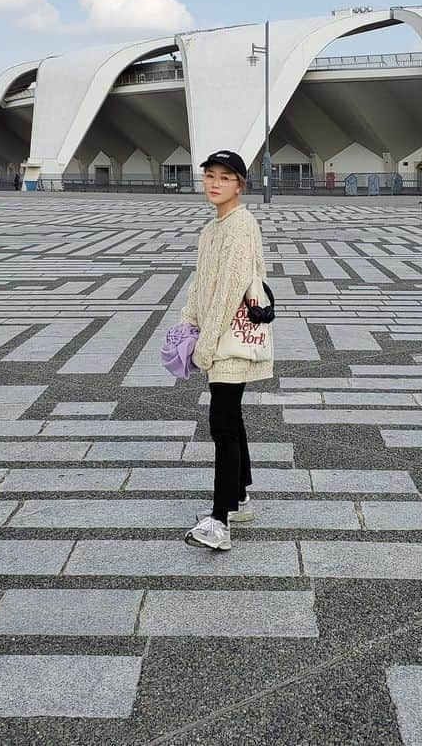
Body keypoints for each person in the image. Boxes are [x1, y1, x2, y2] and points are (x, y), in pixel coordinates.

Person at [181, 149, 272, 551]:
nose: (215, 183)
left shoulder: (240, 225)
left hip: (229, 340)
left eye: (225, 177)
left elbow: (228, 293)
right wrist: (186, 323)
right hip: (215, 336)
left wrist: (207, 344)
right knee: (231, 419)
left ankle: (219, 521)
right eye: (209, 176)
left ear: (240, 184)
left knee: (222, 424)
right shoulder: (212, 228)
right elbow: (201, 286)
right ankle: (240, 499)